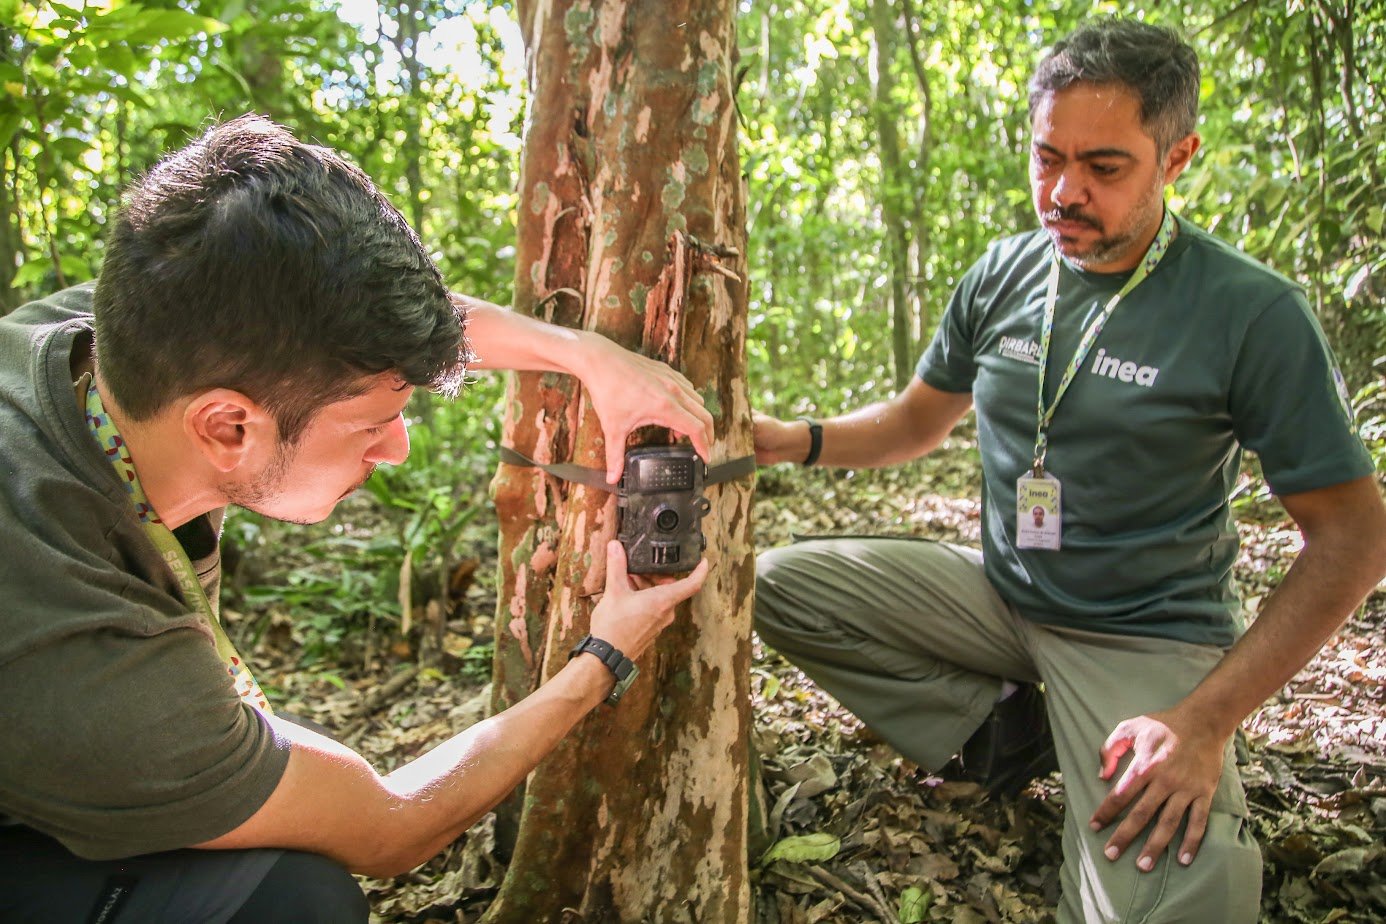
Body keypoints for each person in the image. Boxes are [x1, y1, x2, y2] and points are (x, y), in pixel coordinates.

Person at [0, 114, 714, 922]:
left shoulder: (130, 333)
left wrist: (588, 355)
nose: (398, 450)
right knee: (293, 904)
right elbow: (388, 824)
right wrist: (607, 653)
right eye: (372, 425)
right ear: (230, 427)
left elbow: (362, 327)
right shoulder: (77, 658)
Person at [753, 19, 1386, 924]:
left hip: (1143, 635)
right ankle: (1010, 735)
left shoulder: (1250, 312)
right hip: (1000, 598)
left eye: (1104, 166)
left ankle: (1117, 741)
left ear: (1178, 158)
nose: (1063, 191)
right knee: (778, 586)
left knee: (1172, 907)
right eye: (1047, 158)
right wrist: (796, 439)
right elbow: (913, 424)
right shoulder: (1004, 273)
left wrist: (1204, 722)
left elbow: (1356, 539)